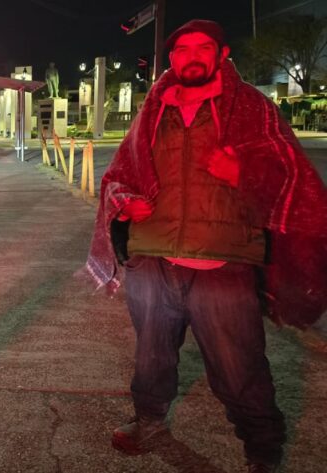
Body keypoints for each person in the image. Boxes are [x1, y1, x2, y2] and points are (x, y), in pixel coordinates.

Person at [86, 19, 327, 473]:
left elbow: (293, 181)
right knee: (151, 358)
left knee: (239, 367)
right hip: (153, 256)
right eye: (182, 50)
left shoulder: (251, 107)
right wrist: (126, 202)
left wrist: (242, 174)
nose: (191, 56)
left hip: (224, 262)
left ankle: (262, 447)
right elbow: (120, 173)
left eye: (202, 48)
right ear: (171, 58)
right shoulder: (154, 109)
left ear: (221, 55)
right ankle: (149, 421)